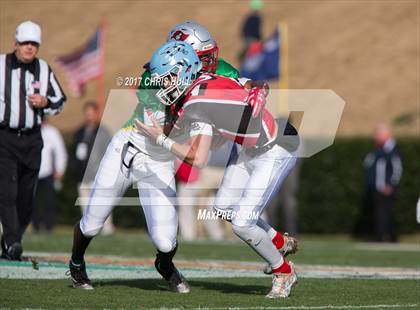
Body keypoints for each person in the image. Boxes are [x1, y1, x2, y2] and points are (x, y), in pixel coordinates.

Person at [67, 21, 248, 292]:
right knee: (93, 221)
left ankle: (164, 264)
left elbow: (240, 85)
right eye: (203, 57)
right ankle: (76, 263)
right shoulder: (157, 76)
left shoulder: (214, 69)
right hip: (132, 146)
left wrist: (250, 91)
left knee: (166, 241)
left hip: (160, 159)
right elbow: (171, 126)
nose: (211, 62)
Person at [135, 41, 299, 298]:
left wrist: (160, 138)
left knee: (243, 224)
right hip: (248, 149)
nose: (163, 85)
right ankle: (279, 242)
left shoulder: (195, 103)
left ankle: (284, 271)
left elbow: (198, 158)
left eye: (166, 79)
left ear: (183, 72)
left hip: (276, 148)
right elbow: (246, 84)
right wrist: (256, 90)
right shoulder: (198, 87)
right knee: (223, 208)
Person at [0, 21, 66, 260]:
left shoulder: (43, 68)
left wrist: (45, 102)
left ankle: (11, 240)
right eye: (25, 43)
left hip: (32, 138)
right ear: (15, 44)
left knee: (27, 197)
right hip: (5, 137)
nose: (29, 48)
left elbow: (60, 99)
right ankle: (12, 241)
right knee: (7, 191)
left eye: (34, 44)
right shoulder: (0, 65)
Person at [70, 101, 114, 235]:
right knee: (85, 204)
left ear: (96, 113)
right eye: (87, 113)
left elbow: (109, 152)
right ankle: (89, 228)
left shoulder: (103, 132)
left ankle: (107, 228)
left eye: (91, 113)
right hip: (83, 175)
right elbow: (74, 153)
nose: (89, 116)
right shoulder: (79, 132)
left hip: (98, 174)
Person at [363, 124, 402, 242]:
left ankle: (381, 237)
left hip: (386, 187)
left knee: (384, 213)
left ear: (386, 135)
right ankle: (390, 236)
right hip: (377, 187)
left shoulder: (391, 149)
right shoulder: (378, 148)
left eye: (378, 134)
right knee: (382, 213)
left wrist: (390, 184)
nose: (375, 136)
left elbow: (397, 168)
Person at [32, 119, 67, 233]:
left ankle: (49, 226)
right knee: (33, 201)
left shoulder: (52, 132)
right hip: (32, 172)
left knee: (49, 201)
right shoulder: (30, 131)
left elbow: (60, 151)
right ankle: (35, 226)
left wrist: (60, 169)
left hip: (48, 172)